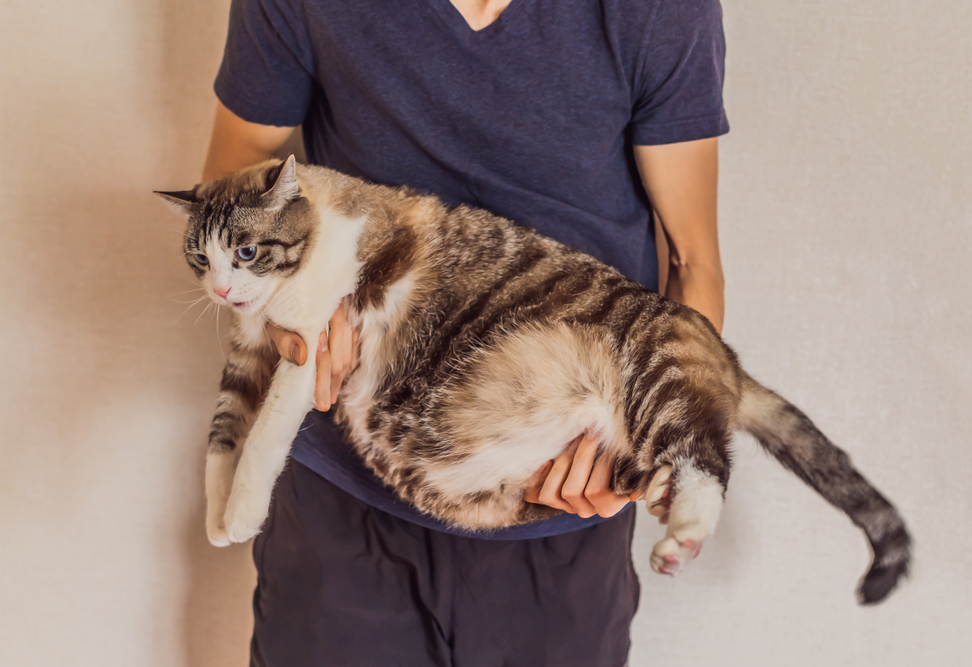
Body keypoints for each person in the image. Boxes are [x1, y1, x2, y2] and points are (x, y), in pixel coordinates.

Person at [201, 1, 727, 665]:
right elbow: (231, 179)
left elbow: (695, 263)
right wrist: (287, 309)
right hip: (344, 495)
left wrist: (640, 440)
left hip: (557, 510)